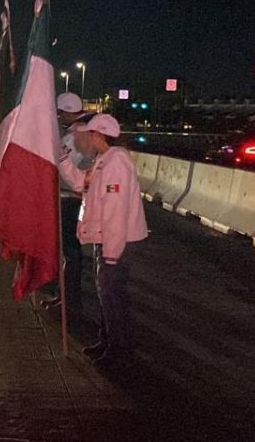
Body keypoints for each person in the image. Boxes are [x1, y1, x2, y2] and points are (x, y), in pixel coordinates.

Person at [58, 114, 148, 367]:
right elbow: (80, 183)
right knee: (107, 295)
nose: (83, 140)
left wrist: (111, 253)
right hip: (107, 241)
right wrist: (63, 159)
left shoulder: (116, 163)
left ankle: (120, 351)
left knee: (113, 296)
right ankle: (109, 341)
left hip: (115, 243)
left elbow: (115, 214)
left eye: (88, 135)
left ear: (99, 135)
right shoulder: (104, 161)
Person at [42, 93, 95, 317]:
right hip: (68, 197)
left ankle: (70, 301)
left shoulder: (77, 135)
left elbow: (71, 173)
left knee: (71, 254)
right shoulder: (75, 132)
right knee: (68, 253)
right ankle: (65, 296)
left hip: (71, 200)